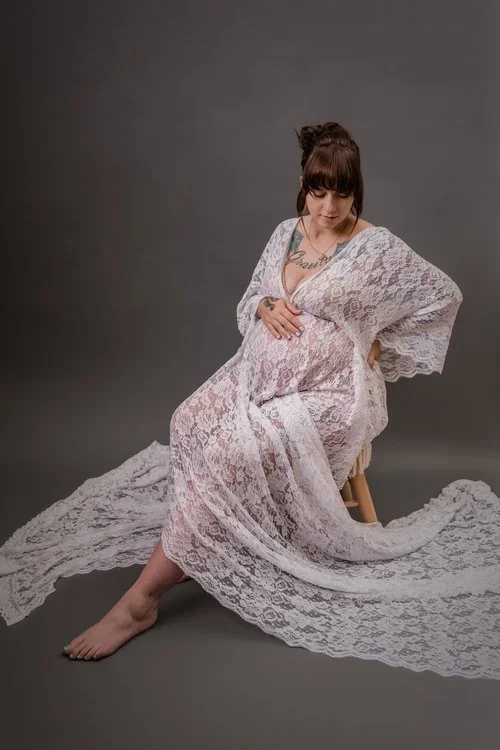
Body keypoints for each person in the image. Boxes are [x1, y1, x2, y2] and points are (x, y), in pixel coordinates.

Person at [1, 122, 499, 679]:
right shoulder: (286, 233)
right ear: (303, 186)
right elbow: (252, 299)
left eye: (341, 194)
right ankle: (201, 537)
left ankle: (139, 603)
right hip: (254, 380)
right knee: (187, 420)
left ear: (356, 192)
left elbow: (441, 296)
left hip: (328, 396)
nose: (328, 207)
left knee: (228, 455)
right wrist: (265, 305)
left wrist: (377, 343)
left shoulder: (374, 247)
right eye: (318, 192)